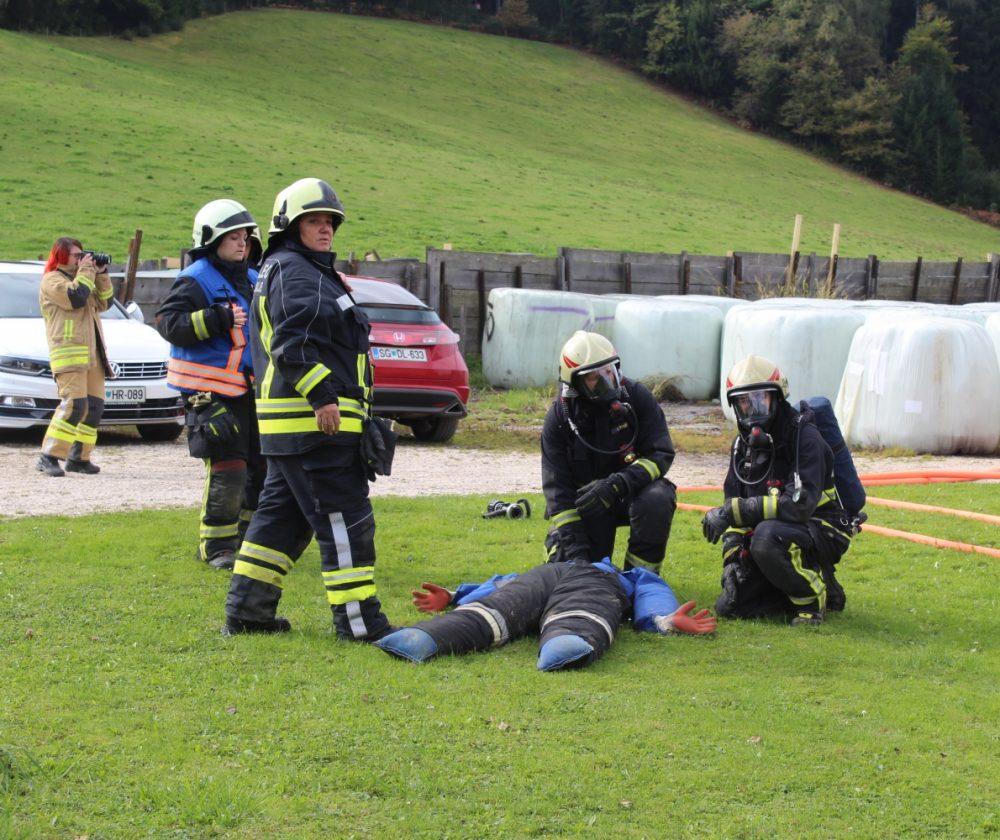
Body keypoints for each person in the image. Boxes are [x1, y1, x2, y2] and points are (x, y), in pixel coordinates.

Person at [222, 177, 395, 640]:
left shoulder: (290, 269)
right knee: (346, 521)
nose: (325, 229)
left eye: (330, 222)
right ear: (289, 226)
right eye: (313, 221)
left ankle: (248, 613)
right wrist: (322, 398)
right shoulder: (299, 273)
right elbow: (293, 343)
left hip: (291, 431)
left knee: (280, 522)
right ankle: (359, 623)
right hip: (317, 429)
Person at [700, 355, 851, 626]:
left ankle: (812, 601)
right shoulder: (741, 447)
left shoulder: (803, 437)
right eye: (744, 402)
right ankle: (821, 586)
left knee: (766, 537)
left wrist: (733, 511)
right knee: (732, 606)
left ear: (778, 397)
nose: (752, 409)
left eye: (760, 399)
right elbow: (734, 510)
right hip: (777, 532)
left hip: (822, 527)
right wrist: (732, 562)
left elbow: (798, 505)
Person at [155, 199, 264, 570]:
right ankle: (217, 548)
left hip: (250, 392)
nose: (241, 242)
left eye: (245, 236)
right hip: (209, 394)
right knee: (229, 470)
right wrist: (216, 318)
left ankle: (250, 541)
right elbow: (169, 324)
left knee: (260, 470)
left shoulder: (253, 278)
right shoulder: (196, 279)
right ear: (211, 240)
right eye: (233, 236)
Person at [375, 559, 716, 671]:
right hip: (590, 581)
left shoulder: (557, 565)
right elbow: (650, 588)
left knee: (499, 609)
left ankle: (427, 636)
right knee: (580, 612)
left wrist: (458, 595)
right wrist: (662, 620)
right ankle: (566, 638)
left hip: (546, 575)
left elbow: (503, 585)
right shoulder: (622, 575)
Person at [541, 331, 677, 576]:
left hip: (628, 494)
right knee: (581, 573)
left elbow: (661, 454)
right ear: (574, 383)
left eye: (608, 372)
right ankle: (575, 558)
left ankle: (640, 578)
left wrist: (617, 484)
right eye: (594, 377)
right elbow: (558, 495)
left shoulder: (637, 397)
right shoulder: (560, 419)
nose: (606, 382)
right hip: (589, 504)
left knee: (657, 497)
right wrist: (578, 556)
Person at [36, 237, 115, 477]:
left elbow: (106, 302)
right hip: (69, 356)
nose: (82, 260)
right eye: (76, 256)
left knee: (94, 407)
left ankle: (79, 458)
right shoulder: (53, 280)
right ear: (61, 257)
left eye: (83, 255)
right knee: (74, 406)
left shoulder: (83, 279)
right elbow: (76, 297)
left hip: (92, 356)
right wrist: (88, 270)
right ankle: (48, 456)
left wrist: (101, 274)